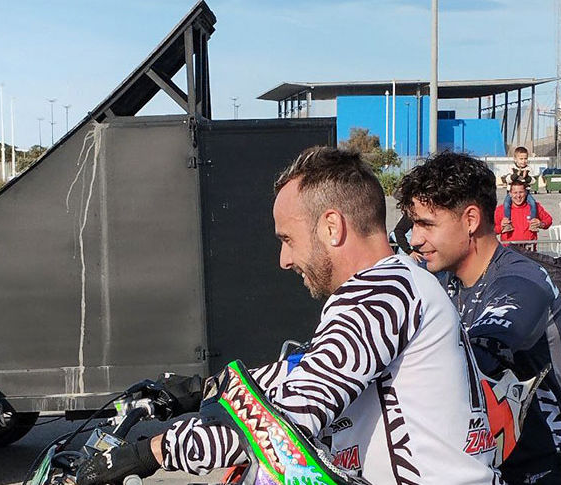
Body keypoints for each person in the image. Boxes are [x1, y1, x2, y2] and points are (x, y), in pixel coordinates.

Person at [76, 147, 501, 485]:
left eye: (288, 239)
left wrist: (148, 453)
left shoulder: (380, 295)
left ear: (332, 227)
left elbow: (279, 430)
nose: (283, 259)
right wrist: (201, 389)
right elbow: (302, 370)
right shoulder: (398, 285)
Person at [396, 151, 561, 485]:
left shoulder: (523, 281)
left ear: (470, 220)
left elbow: (485, 352)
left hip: (548, 469)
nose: (415, 239)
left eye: (426, 224)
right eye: (413, 225)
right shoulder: (437, 281)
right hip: (480, 465)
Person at [495, 180, 553, 246]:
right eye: (515, 193)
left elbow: (549, 220)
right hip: (508, 250)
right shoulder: (501, 209)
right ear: (510, 194)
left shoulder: (535, 207)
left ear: (526, 193)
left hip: (529, 249)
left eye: (521, 192)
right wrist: (501, 227)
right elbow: (489, 231)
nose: (518, 196)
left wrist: (541, 224)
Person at [502, 146, 537, 233]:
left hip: (525, 192)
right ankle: (508, 223)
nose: (523, 161)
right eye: (521, 159)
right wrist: (516, 175)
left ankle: (533, 223)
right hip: (512, 193)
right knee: (506, 204)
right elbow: (507, 179)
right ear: (515, 159)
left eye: (525, 158)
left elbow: (533, 181)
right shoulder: (511, 168)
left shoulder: (528, 169)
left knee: (533, 203)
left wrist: (527, 177)